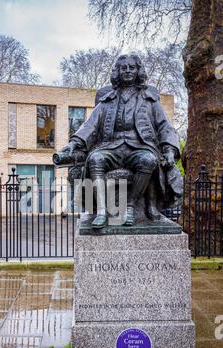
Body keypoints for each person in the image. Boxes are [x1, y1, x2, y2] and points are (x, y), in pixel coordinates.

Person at [61, 54, 181, 229]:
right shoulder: (107, 99)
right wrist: (73, 143)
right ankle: (101, 211)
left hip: (139, 148)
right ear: (117, 71)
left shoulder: (150, 99)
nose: (127, 71)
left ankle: (130, 207)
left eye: (132, 67)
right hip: (111, 148)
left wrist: (170, 149)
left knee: (149, 160)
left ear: (138, 70)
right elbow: (89, 126)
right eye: (123, 68)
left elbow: (165, 127)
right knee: (95, 159)